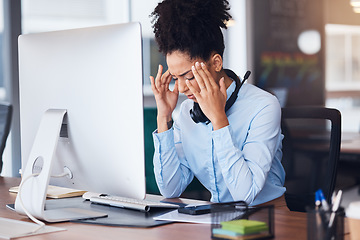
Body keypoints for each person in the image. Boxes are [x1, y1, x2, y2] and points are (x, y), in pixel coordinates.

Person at [149, 0, 285, 205]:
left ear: (216, 62)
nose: (182, 88)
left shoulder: (264, 106)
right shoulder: (187, 112)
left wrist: (219, 119)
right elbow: (170, 188)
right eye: (176, 78)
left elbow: (245, 195)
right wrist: (164, 117)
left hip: (269, 217)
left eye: (189, 76)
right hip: (217, 219)